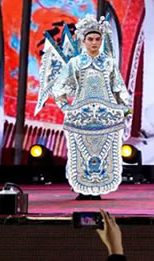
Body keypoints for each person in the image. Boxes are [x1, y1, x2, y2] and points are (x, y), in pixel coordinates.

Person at [50, 15, 132, 200]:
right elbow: (58, 87)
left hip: (106, 116)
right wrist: (66, 107)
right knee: (80, 153)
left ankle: (98, 189)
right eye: (90, 39)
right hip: (81, 115)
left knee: (105, 153)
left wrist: (126, 107)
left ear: (101, 41)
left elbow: (118, 87)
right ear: (83, 40)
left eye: (97, 39)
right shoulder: (75, 63)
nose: (94, 42)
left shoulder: (109, 63)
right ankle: (82, 189)